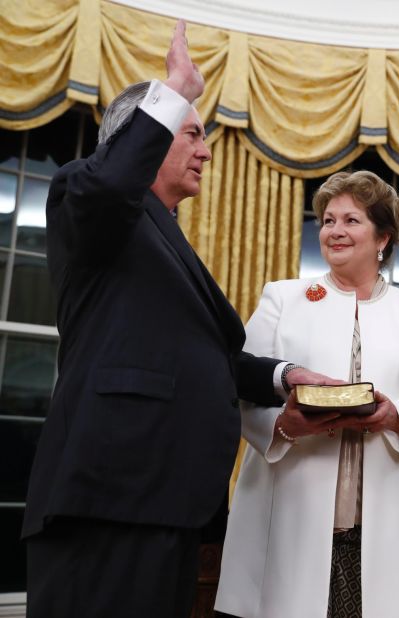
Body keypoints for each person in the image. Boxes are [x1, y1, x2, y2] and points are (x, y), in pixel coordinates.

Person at [23, 22, 323, 618]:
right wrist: (175, 89)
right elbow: (110, 181)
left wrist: (284, 377)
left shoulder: (161, 234)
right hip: (112, 492)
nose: (207, 150)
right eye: (192, 134)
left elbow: (202, 351)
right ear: (144, 137)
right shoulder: (88, 198)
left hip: (166, 497)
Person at [214, 170, 399, 618]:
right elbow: (239, 387)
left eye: (351, 220)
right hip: (293, 501)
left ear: (383, 237)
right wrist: (282, 425)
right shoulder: (282, 298)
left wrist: (394, 415)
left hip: (384, 512)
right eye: (328, 220)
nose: (334, 231)